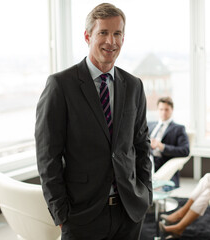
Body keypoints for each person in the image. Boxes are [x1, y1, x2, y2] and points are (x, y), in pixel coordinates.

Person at [35, 3, 152, 240]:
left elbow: (141, 145)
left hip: (129, 212)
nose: (111, 41)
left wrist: (145, 193)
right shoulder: (61, 85)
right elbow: (48, 156)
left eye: (117, 33)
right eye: (103, 33)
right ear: (88, 36)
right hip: (81, 215)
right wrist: (61, 214)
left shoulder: (133, 86)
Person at [148, 97, 189, 187]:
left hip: (162, 163)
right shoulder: (149, 125)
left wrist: (161, 146)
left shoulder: (178, 129)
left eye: (166, 109)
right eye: (161, 109)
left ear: (172, 110)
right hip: (146, 159)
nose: (163, 112)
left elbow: (185, 151)